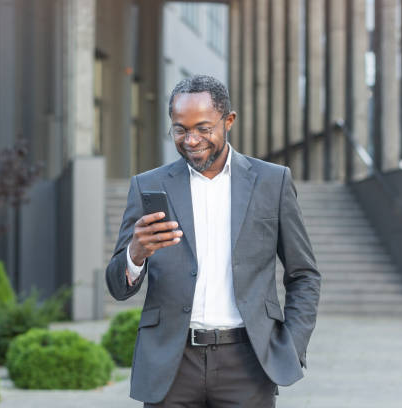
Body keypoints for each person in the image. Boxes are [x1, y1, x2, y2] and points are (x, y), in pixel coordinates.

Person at [106, 74, 320, 407]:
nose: (190, 140)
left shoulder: (272, 182)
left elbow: (304, 274)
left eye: (203, 128)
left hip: (248, 364)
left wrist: (290, 345)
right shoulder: (148, 186)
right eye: (180, 129)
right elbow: (118, 287)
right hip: (171, 366)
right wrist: (135, 254)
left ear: (228, 121)